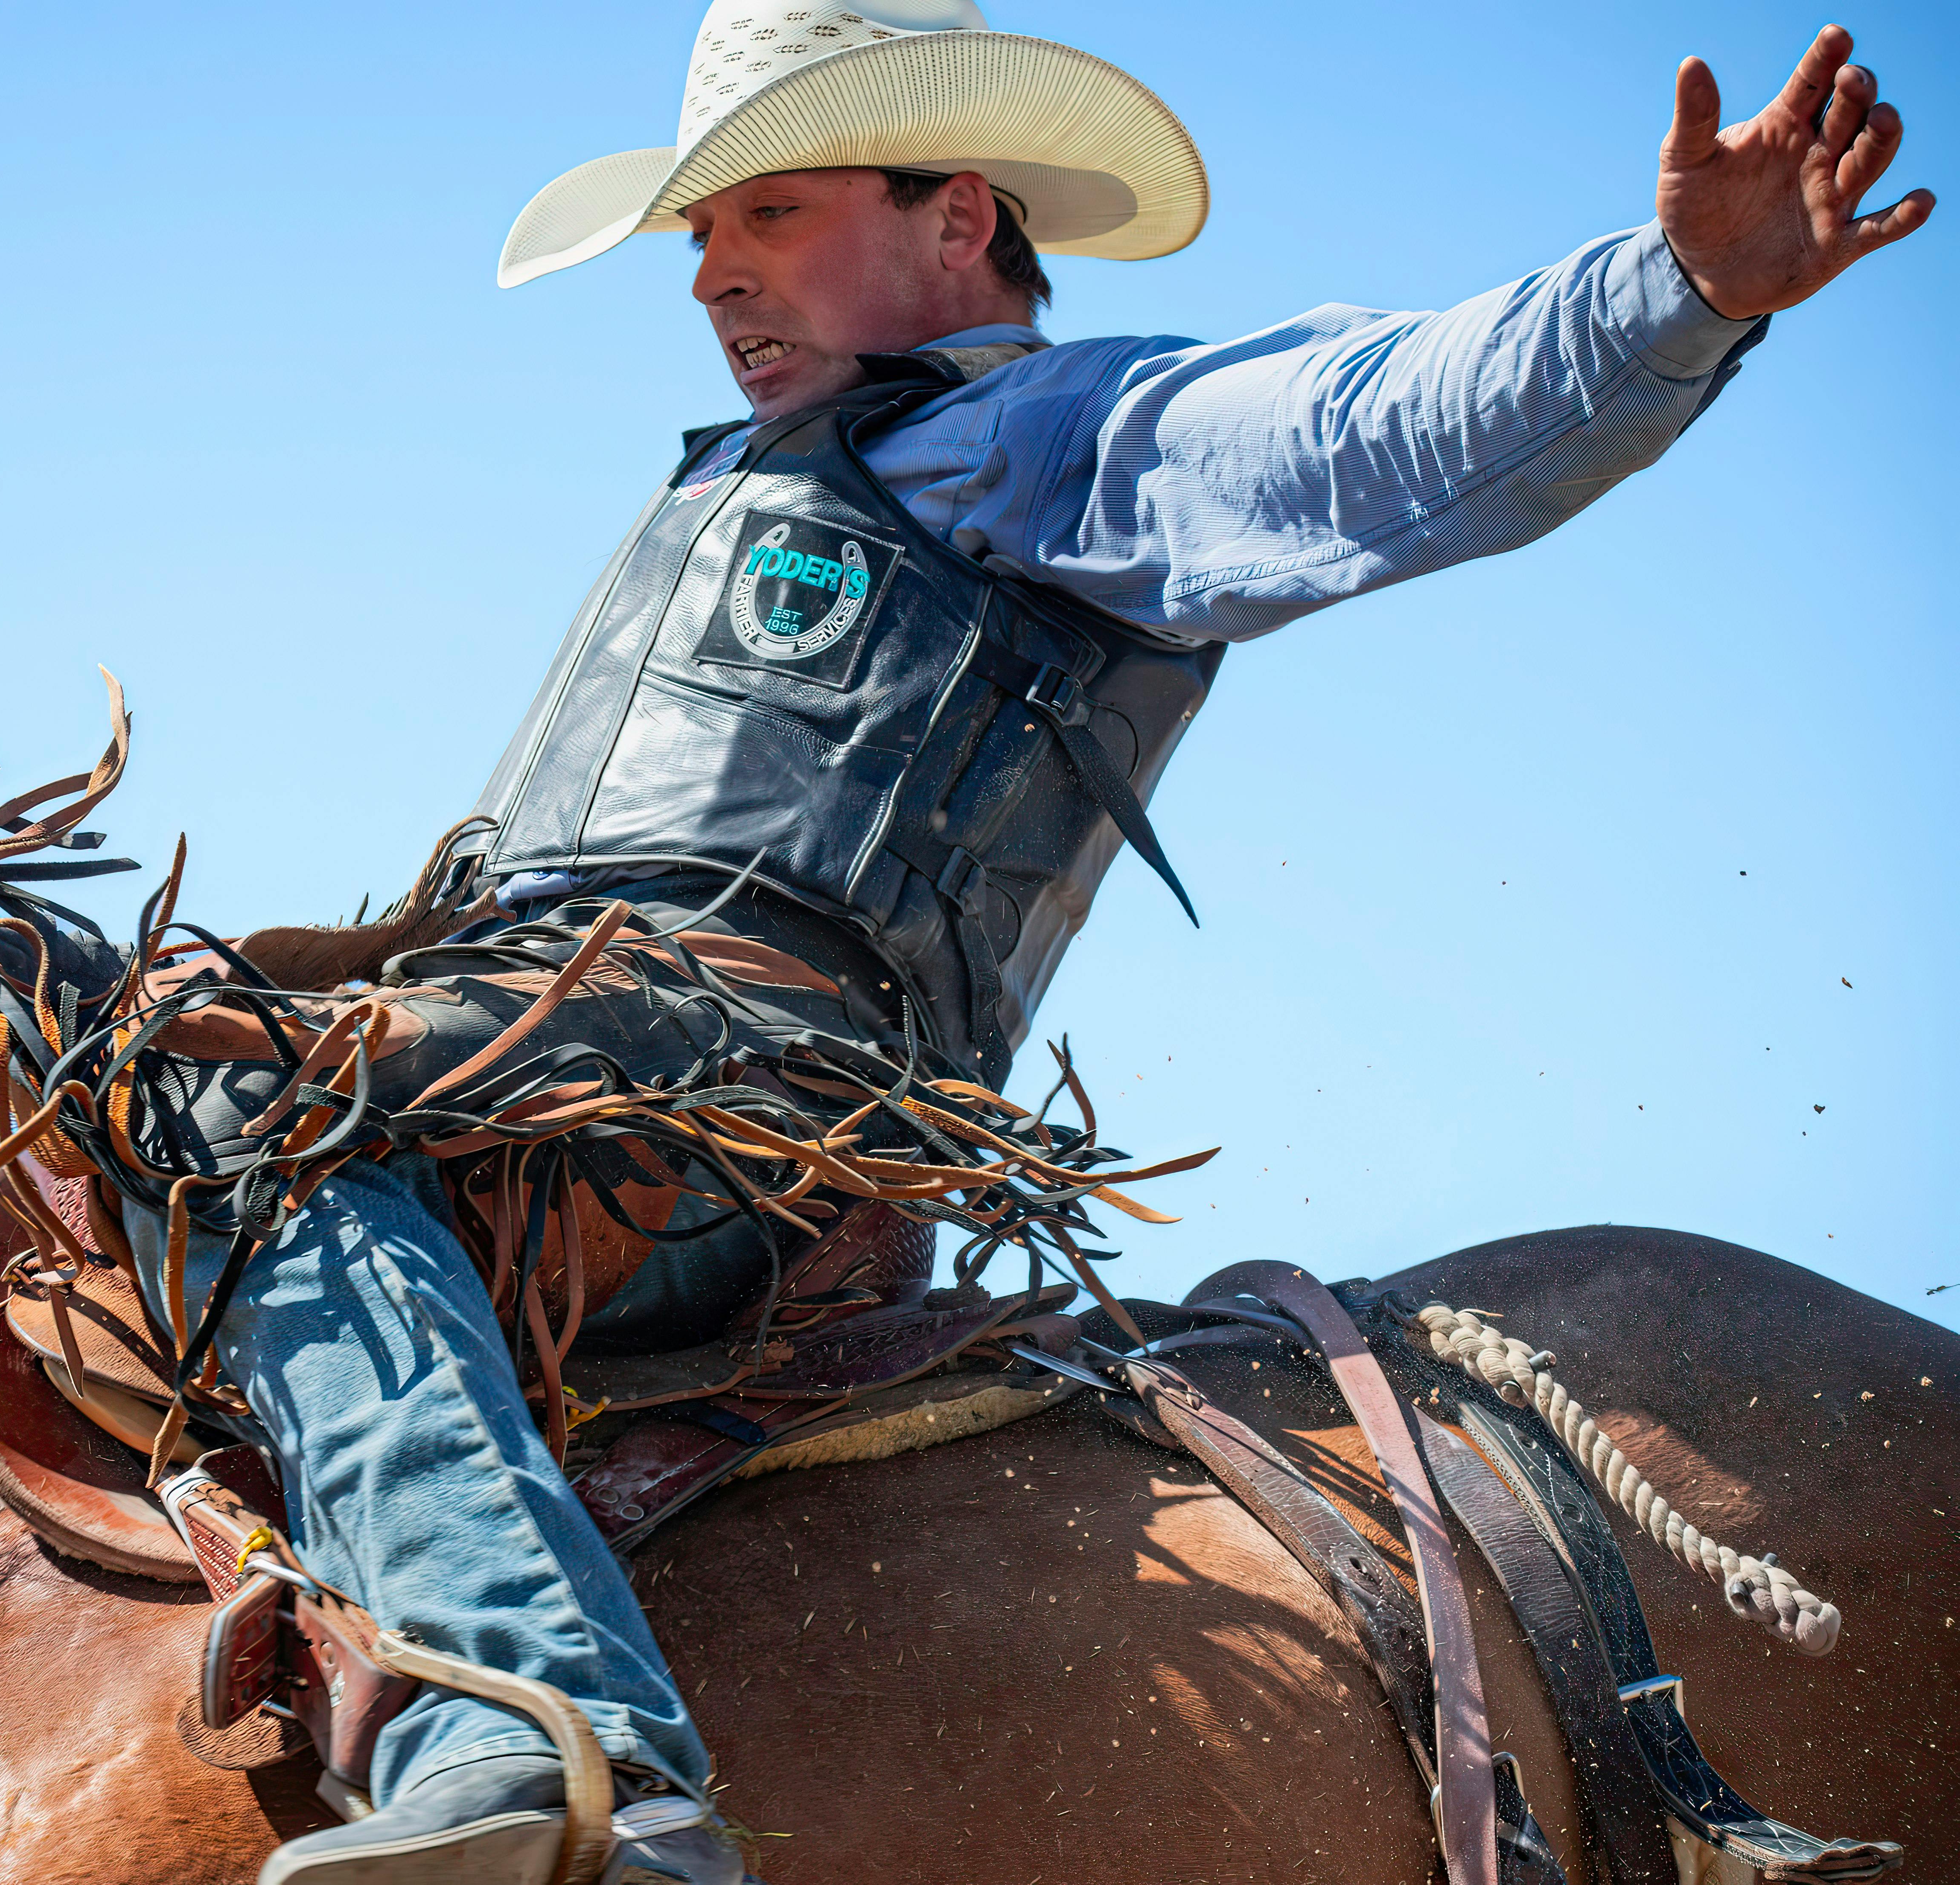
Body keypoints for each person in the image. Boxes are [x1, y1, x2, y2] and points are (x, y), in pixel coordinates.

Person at [191, 6, 1931, 1881]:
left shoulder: (1021, 436)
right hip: (573, 1052)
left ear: (957, 221)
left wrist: (1663, 292)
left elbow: (1350, 434)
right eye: (694, 234)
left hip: (728, 1089)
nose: (706, 271)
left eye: (764, 211)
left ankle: (556, 1754)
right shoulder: (779, 468)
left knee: (248, 1127)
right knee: (151, 1099)